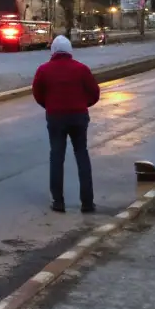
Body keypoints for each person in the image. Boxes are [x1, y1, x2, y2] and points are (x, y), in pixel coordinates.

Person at [31, 35, 100, 213]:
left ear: (53, 51)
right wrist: (84, 104)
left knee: (56, 157)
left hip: (55, 117)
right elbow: (94, 93)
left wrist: (49, 105)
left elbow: (37, 93)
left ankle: (58, 201)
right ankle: (87, 202)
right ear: (70, 51)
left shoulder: (43, 70)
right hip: (79, 116)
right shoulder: (82, 69)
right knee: (82, 155)